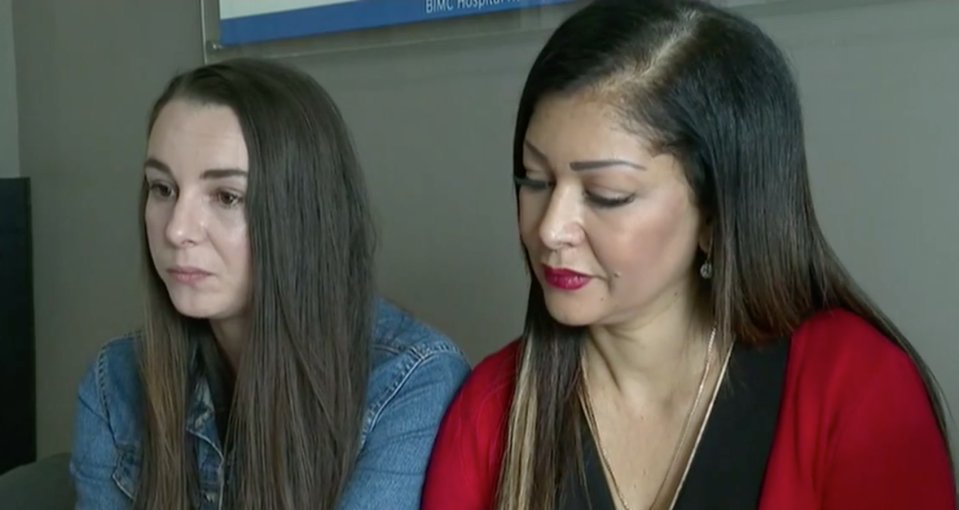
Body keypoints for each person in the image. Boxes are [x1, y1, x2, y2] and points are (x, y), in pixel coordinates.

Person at [421, 1, 956, 509]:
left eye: (607, 195)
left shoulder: (855, 389)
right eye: (534, 180)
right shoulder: (490, 410)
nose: (550, 229)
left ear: (714, 213)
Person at [68, 58, 470, 510]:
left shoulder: (410, 380)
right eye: (163, 188)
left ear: (302, 213)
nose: (177, 230)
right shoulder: (114, 382)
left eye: (226, 196)